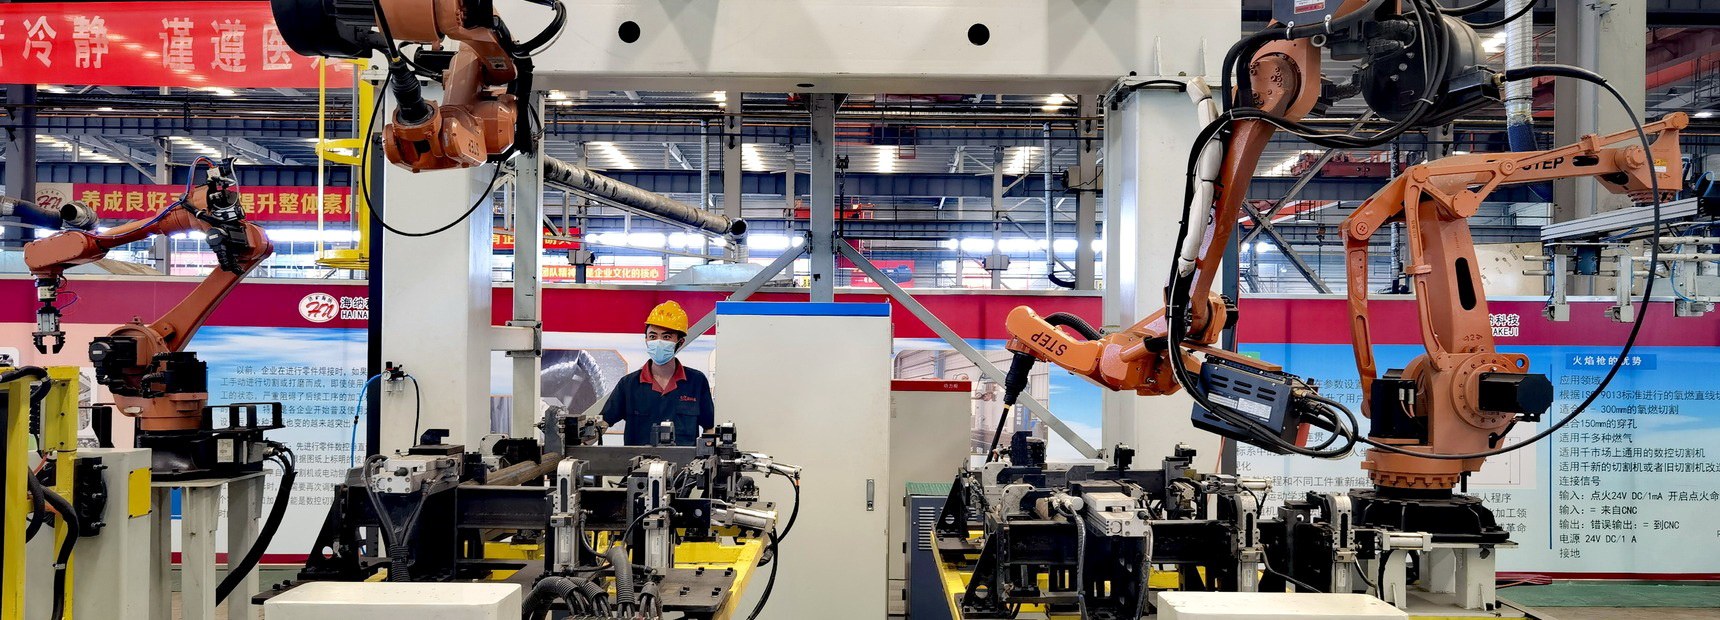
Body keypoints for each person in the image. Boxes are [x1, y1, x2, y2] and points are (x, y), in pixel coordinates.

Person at [599, 301, 715, 446]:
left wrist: (708, 451)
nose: (658, 342)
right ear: (646, 340)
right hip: (638, 460)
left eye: (666, 337)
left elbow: (709, 427)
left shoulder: (696, 381)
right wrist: (581, 443)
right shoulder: (628, 384)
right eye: (653, 336)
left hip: (684, 460)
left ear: (680, 342)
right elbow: (603, 423)